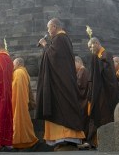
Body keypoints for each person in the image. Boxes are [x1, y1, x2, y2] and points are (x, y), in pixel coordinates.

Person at [36, 18, 85, 151]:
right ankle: (62, 139)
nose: (47, 30)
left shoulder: (60, 39)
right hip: (62, 80)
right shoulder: (62, 40)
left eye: (48, 28)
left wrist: (45, 45)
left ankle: (66, 137)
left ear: (54, 26)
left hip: (61, 82)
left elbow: (54, 56)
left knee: (61, 106)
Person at [87, 37, 119, 147]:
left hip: (106, 93)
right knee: (99, 115)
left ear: (96, 43)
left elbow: (108, 74)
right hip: (100, 92)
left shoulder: (106, 55)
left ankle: (108, 141)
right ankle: (98, 141)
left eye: (91, 46)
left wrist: (96, 61)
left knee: (105, 116)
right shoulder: (99, 57)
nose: (90, 49)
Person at [11, 57, 39, 150]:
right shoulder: (23, 72)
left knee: (20, 121)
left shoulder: (19, 73)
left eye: (13, 64)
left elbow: (17, 89)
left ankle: (22, 141)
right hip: (22, 102)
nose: (12, 66)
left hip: (19, 102)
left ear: (18, 63)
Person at [74, 56, 91, 149]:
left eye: (73, 64)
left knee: (84, 120)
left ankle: (85, 140)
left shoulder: (83, 71)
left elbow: (80, 85)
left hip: (83, 100)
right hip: (81, 100)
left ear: (78, 62)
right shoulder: (80, 72)